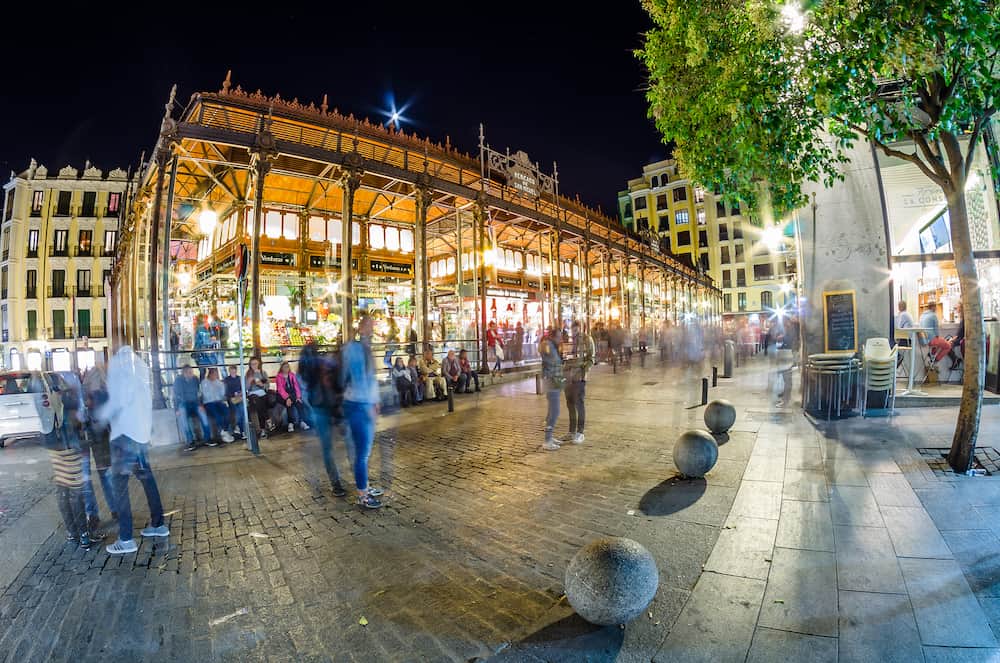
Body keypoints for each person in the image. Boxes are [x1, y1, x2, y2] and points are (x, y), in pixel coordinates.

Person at [99, 346, 167, 555]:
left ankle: (126, 538)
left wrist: (99, 417)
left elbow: (116, 404)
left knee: (120, 487)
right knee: (147, 480)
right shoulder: (141, 373)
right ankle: (158, 524)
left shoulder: (122, 375)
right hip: (140, 438)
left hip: (123, 438)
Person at [341, 315, 382, 509]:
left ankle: (364, 485)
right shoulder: (355, 349)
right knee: (362, 452)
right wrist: (370, 403)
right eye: (370, 326)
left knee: (364, 452)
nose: (372, 330)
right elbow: (359, 380)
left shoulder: (362, 348)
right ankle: (363, 494)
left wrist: (375, 401)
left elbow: (369, 378)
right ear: (362, 327)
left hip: (361, 403)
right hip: (358, 404)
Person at [299, 343, 348, 497]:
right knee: (335, 446)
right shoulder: (321, 366)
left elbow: (305, 394)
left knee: (328, 448)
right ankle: (338, 481)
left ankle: (336, 482)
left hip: (321, 409)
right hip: (330, 408)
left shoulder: (306, 371)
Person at [46, 413, 91, 550]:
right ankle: (82, 534)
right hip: (67, 431)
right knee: (73, 487)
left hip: (50, 429)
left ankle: (73, 532)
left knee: (63, 484)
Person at [81, 367, 115, 533]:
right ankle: (114, 509)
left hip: (92, 438)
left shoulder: (98, 394)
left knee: (88, 478)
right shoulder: (102, 393)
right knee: (104, 475)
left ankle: (93, 515)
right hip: (97, 439)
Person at [564, 321, 594, 445]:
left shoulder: (587, 340)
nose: (574, 332)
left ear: (580, 329)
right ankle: (572, 431)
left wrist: (583, 372)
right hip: (568, 377)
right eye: (572, 329)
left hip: (579, 377)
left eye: (576, 329)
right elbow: (565, 356)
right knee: (570, 404)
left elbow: (591, 358)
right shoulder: (569, 340)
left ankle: (580, 432)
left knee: (579, 404)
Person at [174, 364, 211, 451]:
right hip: (183, 403)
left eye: (192, 372)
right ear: (184, 373)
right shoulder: (178, 381)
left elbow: (199, 393)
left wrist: (201, 404)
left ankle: (207, 438)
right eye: (190, 372)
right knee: (182, 416)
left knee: (203, 414)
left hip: (195, 402)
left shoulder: (195, 379)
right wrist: (177, 409)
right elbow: (176, 395)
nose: (192, 374)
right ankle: (190, 441)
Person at [540, 327, 565, 451]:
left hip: (555, 380)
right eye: (558, 337)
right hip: (551, 380)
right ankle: (547, 440)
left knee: (552, 410)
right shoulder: (547, 345)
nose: (560, 339)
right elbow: (551, 361)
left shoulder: (553, 346)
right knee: (554, 411)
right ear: (552, 336)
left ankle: (549, 437)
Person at [201, 368, 234, 444]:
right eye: (214, 374)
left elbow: (222, 394)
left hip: (218, 401)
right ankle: (223, 432)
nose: (215, 376)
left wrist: (221, 387)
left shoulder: (218, 382)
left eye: (216, 374)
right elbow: (206, 396)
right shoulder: (204, 382)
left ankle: (224, 431)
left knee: (227, 411)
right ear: (210, 374)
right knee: (217, 415)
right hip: (208, 403)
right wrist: (214, 389)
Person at [275, 361, 310, 433]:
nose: (286, 368)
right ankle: (290, 423)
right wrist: (287, 398)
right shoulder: (279, 376)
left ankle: (302, 421)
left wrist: (298, 397)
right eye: (284, 367)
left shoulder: (292, 375)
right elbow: (280, 389)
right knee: (289, 404)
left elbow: (296, 386)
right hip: (282, 395)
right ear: (281, 368)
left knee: (299, 403)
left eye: (287, 367)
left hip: (292, 394)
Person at [245, 356, 272, 439]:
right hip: (252, 394)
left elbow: (267, 385)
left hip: (262, 392)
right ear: (250, 365)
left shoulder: (263, 373)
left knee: (261, 404)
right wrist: (249, 382)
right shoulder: (248, 374)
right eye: (252, 364)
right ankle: (268, 420)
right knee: (259, 403)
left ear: (258, 364)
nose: (254, 366)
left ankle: (263, 430)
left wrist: (262, 385)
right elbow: (246, 388)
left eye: (255, 364)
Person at [224, 365, 247, 439]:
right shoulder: (226, 380)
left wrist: (240, 393)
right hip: (231, 399)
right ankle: (242, 430)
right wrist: (233, 395)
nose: (233, 372)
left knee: (242, 410)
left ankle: (241, 429)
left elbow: (244, 389)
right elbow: (226, 392)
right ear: (229, 371)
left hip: (239, 398)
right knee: (238, 412)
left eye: (234, 371)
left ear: (236, 371)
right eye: (232, 371)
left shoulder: (239, 378)